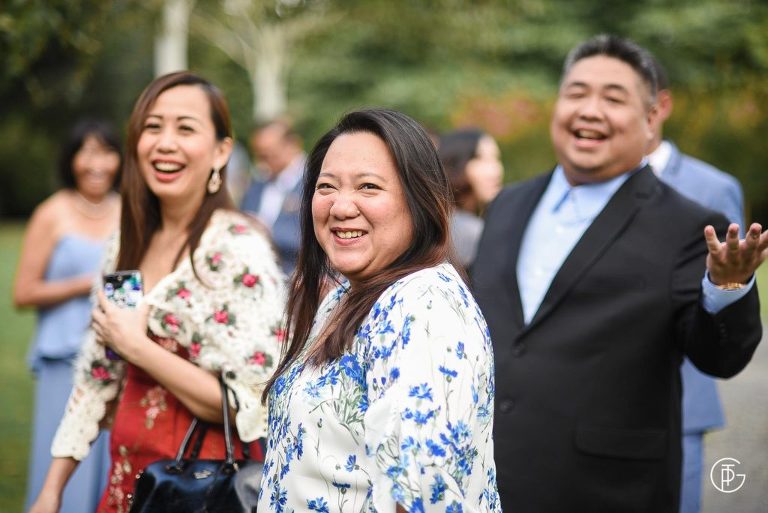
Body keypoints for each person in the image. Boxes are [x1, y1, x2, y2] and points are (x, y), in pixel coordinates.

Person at [471, 34, 765, 513]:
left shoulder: (687, 224)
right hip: (488, 479)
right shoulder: (508, 205)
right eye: (577, 93)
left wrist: (728, 285)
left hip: (607, 489)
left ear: (651, 120)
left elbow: (719, 358)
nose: (590, 110)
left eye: (613, 98)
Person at [27, 71, 285, 513]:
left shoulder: (239, 249)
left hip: (199, 491)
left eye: (185, 128)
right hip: (125, 482)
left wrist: (138, 348)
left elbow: (248, 402)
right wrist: (52, 489)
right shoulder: (127, 245)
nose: (165, 143)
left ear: (221, 150)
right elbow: (97, 375)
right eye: (152, 127)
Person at [258, 108, 500, 512]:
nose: (341, 206)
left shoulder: (421, 307)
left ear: (420, 199)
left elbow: (420, 496)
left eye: (368, 187)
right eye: (327, 186)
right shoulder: (348, 295)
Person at [646, 56, 747, 513]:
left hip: (680, 397)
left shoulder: (712, 186)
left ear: (659, 106)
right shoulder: (580, 188)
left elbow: (732, 295)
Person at [14, 119, 121, 513]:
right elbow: (23, 293)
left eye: (106, 151)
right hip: (63, 358)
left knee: (111, 466)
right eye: (86, 152)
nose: (97, 164)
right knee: (61, 463)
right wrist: (87, 283)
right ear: (72, 159)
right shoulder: (52, 213)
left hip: (117, 356)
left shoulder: (130, 210)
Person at [240, 118, 306, 274]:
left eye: (269, 155)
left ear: (292, 145)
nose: (262, 163)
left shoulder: (316, 182)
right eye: (260, 155)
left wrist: (267, 233)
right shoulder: (257, 184)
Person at [438, 128, 504, 269]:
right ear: (455, 163)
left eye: (496, 159)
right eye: (480, 159)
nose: (496, 170)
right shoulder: (466, 230)